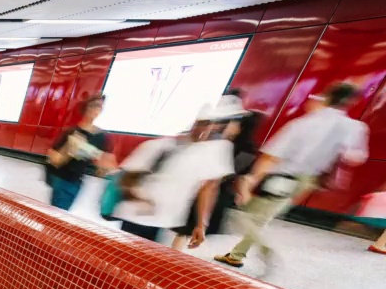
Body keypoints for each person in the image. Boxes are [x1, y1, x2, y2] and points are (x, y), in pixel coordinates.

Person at [215, 82, 370, 270]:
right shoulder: (355, 127)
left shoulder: (304, 124)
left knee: (242, 217)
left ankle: (264, 249)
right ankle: (236, 255)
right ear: (351, 102)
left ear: (327, 97)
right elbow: (356, 157)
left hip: (283, 176)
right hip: (309, 181)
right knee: (262, 217)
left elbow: (272, 156)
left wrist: (251, 180)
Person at [111, 98, 240, 248]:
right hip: (138, 217)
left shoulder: (209, 152)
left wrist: (201, 224)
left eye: (212, 124)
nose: (208, 129)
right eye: (203, 123)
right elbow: (126, 179)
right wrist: (142, 200)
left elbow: (209, 188)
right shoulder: (159, 146)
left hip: (163, 220)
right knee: (130, 257)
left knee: (141, 260)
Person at [45, 95, 115, 211]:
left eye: (100, 107)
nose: (96, 109)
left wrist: (102, 166)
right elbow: (53, 159)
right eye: (94, 106)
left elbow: (106, 164)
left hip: (77, 181)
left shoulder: (101, 136)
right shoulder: (71, 132)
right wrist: (70, 148)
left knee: (61, 214)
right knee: (57, 215)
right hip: (62, 179)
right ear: (85, 108)